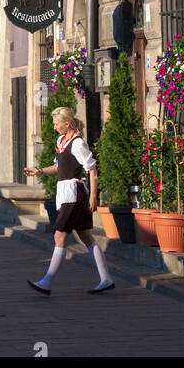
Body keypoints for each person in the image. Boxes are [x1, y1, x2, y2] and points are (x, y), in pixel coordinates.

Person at [23, 106, 114, 295]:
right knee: (85, 236)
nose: (54, 127)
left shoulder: (78, 143)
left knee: (60, 235)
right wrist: (38, 170)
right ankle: (106, 279)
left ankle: (46, 282)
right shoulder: (61, 140)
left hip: (74, 193)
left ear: (67, 123)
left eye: (57, 124)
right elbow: (58, 167)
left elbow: (91, 169)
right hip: (65, 193)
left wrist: (93, 196)